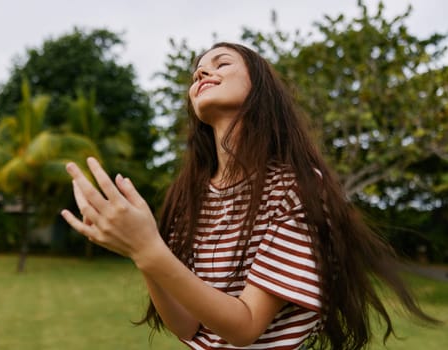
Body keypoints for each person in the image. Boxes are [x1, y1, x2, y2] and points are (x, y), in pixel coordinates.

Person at [61, 42, 437, 349]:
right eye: (197, 72)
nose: (201, 73)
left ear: (260, 88)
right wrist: (141, 252)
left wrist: (148, 249)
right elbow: (187, 326)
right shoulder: (189, 197)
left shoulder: (295, 188)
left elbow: (245, 328)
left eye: (221, 63)